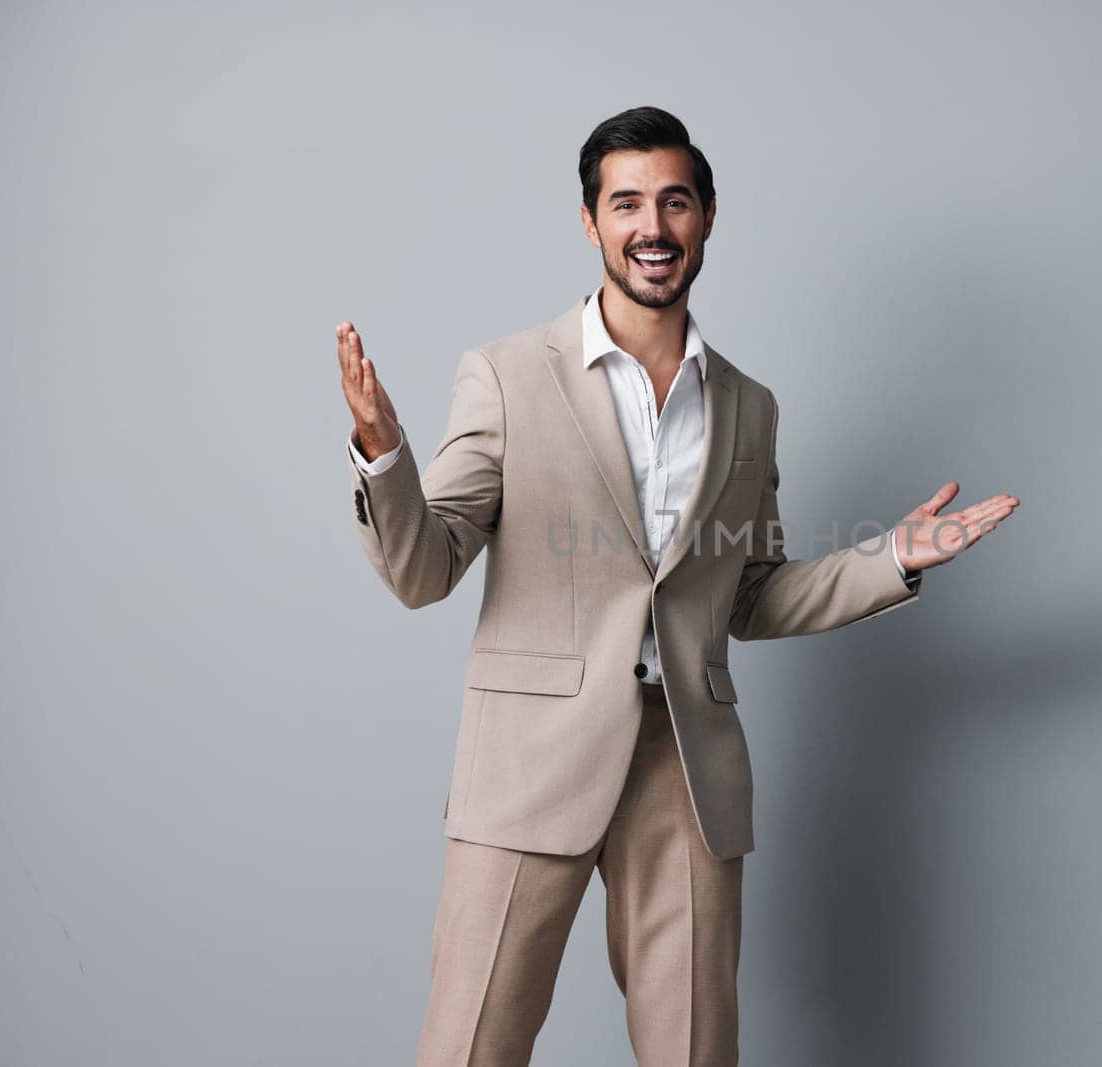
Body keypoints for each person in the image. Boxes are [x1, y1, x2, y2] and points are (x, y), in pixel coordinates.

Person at [334, 105, 1019, 1066]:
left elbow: (752, 595)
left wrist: (892, 558)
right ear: (590, 223)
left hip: (686, 767)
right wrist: (383, 452)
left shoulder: (747, 405)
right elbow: (423, 568)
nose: (651, 226)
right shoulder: (505, 376)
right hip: (531, 761)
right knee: (472, 1046)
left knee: (695, 1052)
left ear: (704, 218)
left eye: (674, 202)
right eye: (627, 204)